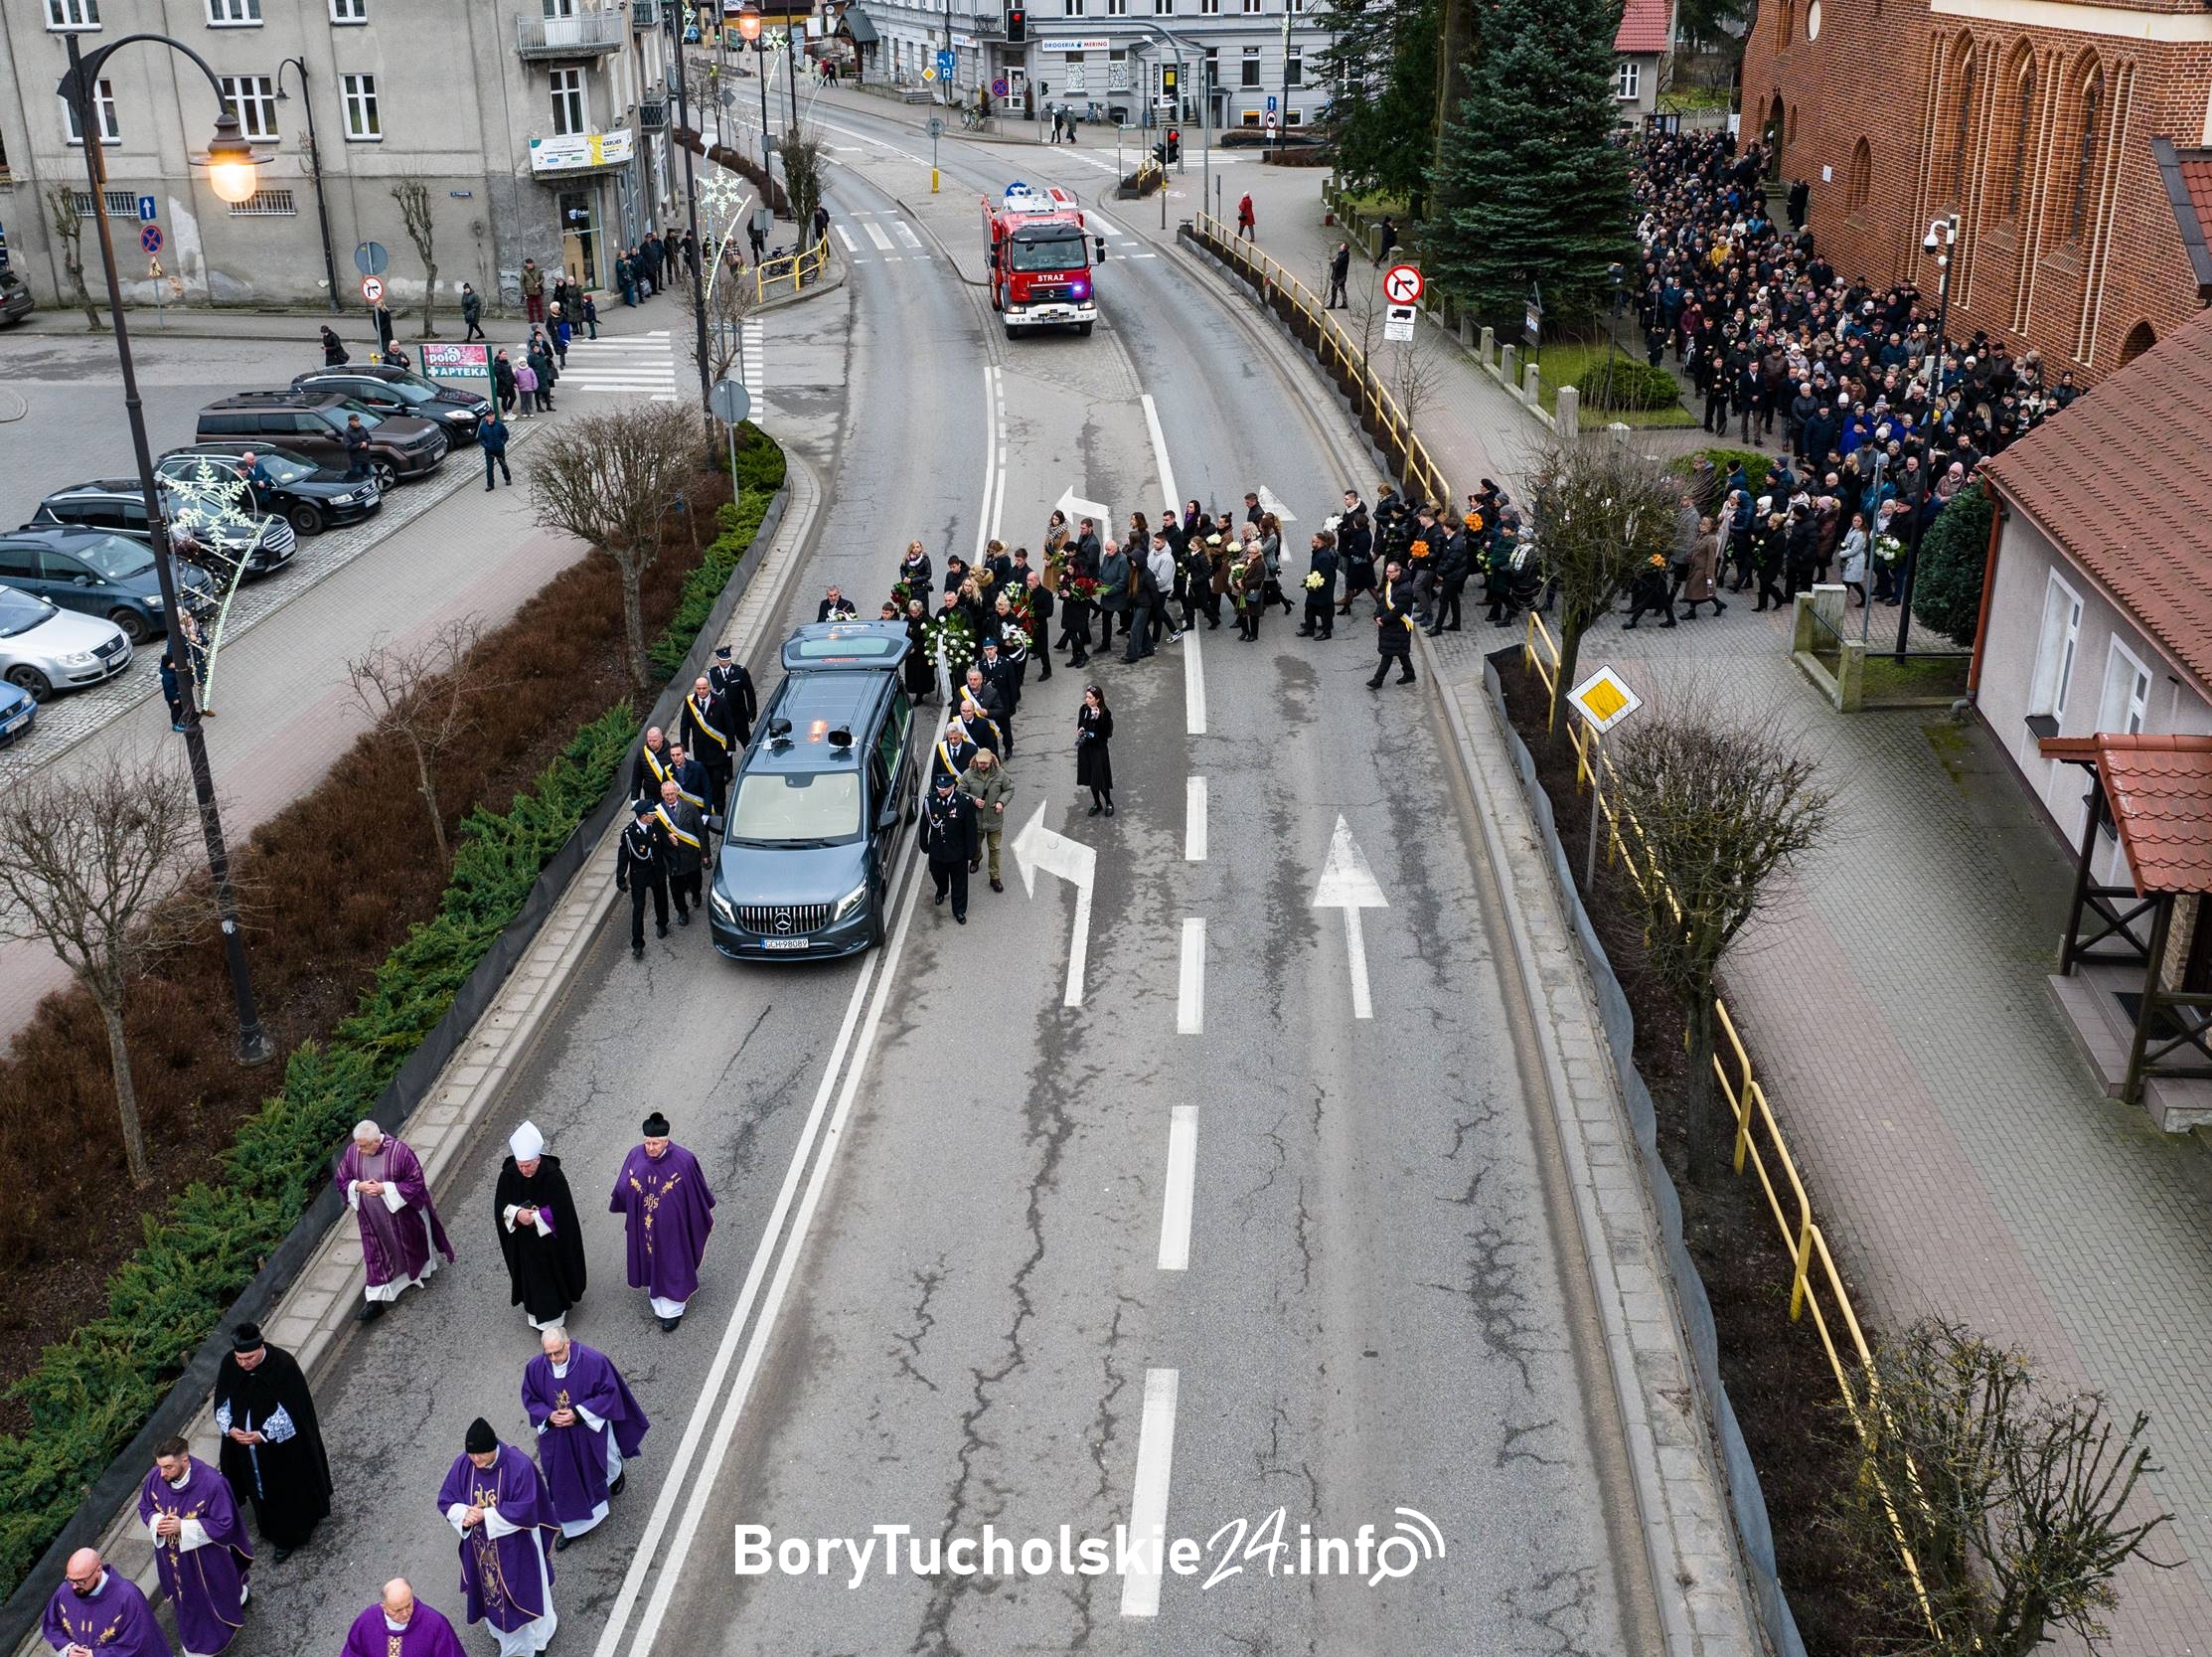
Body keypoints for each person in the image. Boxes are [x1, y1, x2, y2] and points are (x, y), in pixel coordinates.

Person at [437, 1419, 558, 1657]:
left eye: (480, 1456)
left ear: (493, 1448)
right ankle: (504, 1635)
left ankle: (535, 1643)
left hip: (517, 1547)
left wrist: (486, 1515)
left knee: (525, 1595)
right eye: (472, 1455)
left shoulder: (519, 1466)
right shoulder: (464, 1463)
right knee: (492, 1596)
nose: (476, 1462)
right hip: (481, 1549)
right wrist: (464, 1514)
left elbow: (527, 1508)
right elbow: (446, 1499)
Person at [213, 1323, 330, 1563]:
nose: (244, 1364)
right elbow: (223, 1399)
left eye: (249, 1358)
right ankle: (268, 1527)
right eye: (239, 1358)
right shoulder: (230, 1364)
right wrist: (231, 1429)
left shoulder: (283, 1365)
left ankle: (290, 1535)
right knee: (258, 1488)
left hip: (282, 1449)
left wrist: (264, 1434)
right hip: (244, 1446)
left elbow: (294, 1407)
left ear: (261, 1347)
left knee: (285, 1488)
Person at [523, 1328, 648, 1551]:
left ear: (568, 1343)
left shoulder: (593, 1361)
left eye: (557, 1352)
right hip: (557, 1433)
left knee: (601, 1461)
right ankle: (572, 1527)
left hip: (589, 1428)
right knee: (562, 1477)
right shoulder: (535, 1368)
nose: (553, 1359)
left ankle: (616, 1475)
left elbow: (609, 1394)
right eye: (548, 1354)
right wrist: (548, 1415)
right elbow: (530, 1397)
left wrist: (579, 1413)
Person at [137, 1437, 250, 1657]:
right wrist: (157, 1522)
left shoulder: (212, 1483)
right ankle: (196, 1642)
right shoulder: (156, 1477)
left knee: (214, 1592)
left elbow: (225, 1524)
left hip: (205, 1556)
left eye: (168, 1467)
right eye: (159, 1467)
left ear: (185, 1460)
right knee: (186, 1601)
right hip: (171, 1556)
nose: (162, 1474)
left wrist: (183, 1527)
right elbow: (145, 1506)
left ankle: (209, 1641)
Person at [336, 1120, 454, 1323]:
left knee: (409, 1248)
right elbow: (342, 1179)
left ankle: (418, 1273)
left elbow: (415, 1181)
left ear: (376, 1141)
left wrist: (385, 1189)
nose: (359, 1149)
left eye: (363, 1146)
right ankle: (375, 1301)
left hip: (403, 1218)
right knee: (376, 1257)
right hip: (371, 1220)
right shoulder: (352, 1153)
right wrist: (358, 1186)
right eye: (357, 1144)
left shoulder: (400, 1153)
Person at [609, 1113, 716, 1330]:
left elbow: (696, 1193)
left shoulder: (684, 1161)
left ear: (666, 1141)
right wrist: (626, 1195)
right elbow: (624, 1183)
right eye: (647, 1142)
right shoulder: (635, 1155)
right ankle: (657, 1301)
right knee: (650, 1259)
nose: (650, 1147)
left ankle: (674, 1308)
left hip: (673, 1229)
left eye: (655, 1143)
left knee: (672, 1261)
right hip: (645, 1224)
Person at [494, 1121, 587, 1331]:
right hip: (524, 1244)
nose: (524, 1170)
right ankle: (537, 1317)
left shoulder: (552, 1175)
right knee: (532, 1281)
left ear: (537, 1159)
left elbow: (563, 1212)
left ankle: (555, 1318)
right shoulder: (509, 1175)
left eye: (528, 1165)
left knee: (551, 1277)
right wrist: (517, 1214)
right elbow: (500, 1207)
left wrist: (536, 1216)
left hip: (549, 1243)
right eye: (521, 1166)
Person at [43, 1550, 170, 1657]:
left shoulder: (128, 1597)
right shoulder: (65, 1591)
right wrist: (68, 1648)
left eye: (81, 1581)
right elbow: (52, 1625)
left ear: (98, 1570)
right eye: (70, 1580)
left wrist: (94, 1654)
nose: (74, 1587)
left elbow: (138, 1643)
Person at [338, 1580, 467, 1657]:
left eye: (409, 1605)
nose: (405, 1614)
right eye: (397, 1610)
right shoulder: (366, 1622)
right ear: (384, 1607)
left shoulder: (435, 1623)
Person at [615, 802, 671, 958]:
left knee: (661, 899)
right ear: (643, 817)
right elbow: (623, 857)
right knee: (638, 908)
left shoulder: (656, 825)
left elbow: (664, 844)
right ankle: (637, 942)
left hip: (656, 870)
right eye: (651, 814)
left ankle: (662, 923)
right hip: (639, 873)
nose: (654, 815)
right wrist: (620, 879)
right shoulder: (629, 833)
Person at [921, 774, 978, 923]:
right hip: (937, 849)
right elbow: (924, 824)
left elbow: (971, 829)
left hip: (957, 851)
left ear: (953, 786)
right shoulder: (930, 800)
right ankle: (942, 889)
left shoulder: (964, 802)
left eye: (945, 789)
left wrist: (971, 851)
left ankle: (959, 910)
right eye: (939, 788)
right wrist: (923, 843)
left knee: (959, 883)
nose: (941, 791)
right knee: (937, 874)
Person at [960, 747, 1012, 894]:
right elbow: (960, 792)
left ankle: (994, 877)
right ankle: (976, 858)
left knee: (994, 848)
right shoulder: (968, 774)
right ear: (976, 760)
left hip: (994, 819)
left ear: (991, 761)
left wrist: (1001, 802)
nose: (982, 765)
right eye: (980, 762)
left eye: (985, 763)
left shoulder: (1000, 774)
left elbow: (1009, 789)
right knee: (975, 845)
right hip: (975, 820)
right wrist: (974, 800)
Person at [655, 778, 707, 924]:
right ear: (662, 794)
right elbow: (653, 835)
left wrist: (705, 854)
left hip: (691, 855)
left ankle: (696, 894)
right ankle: (682, 911)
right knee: (676, 890)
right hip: (673, 859)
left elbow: (701, 832)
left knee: (695, 882)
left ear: (677, 792)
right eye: (666, 795)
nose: (670, 797)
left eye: (672, 793)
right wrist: (666, 835)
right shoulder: (658, 813)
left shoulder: (690, 807)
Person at [1367, 560, 1417, 688]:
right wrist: (1377, 614)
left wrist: (1383, 619)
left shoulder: (1405, 589)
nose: (1387, 574)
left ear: (1398, 572)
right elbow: (1384, 601)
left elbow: (1398, 611)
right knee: (1401, 652)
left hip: (1398, 625)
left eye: (1390, 572)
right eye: (1387, 571)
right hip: (1391, 625)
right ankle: (1409, 674)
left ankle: (1378, 680)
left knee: (1388, 653)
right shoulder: (1393, 582)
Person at [1076, 683, 1114, 816]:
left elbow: (1106, 733)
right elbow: (1081, 723)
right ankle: (1097, 803)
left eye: (1090, 698)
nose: (1087, 700)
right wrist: (1080, 730)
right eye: (1087, 697)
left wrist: (1097, 721)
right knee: (1091, 778)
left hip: (1098, 749)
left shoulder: (1105, 713)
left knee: (1100, 778)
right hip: (1086, 748)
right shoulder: (1084, 709)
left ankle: (1108, 802)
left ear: (1098, 699)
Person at [1298, 530, 1339, 638]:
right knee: (1309, 607)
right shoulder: (1318, 553)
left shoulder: (1324, 557)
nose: (1312, 543)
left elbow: (1323, 575)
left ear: (1322, 543)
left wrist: (1313, 583)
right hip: (1315, 586)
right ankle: (1309, 628)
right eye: (1312, 541)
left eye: (1315, 541)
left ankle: (1326, 632)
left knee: (1324, 610)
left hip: (1322, 588)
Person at [1622, 554, 1676, 629]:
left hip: (1655, 577)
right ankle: (1671, 620)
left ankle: (1633, 620)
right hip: (1654, 575)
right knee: (1662, 600)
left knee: (1646, 600)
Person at [631, 725, 675, 800]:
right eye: (649, 740)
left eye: (654, 740)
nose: (651, 743)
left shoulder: (671, 752)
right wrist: (635, 798)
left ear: (661, 738)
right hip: (650, 795)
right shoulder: (642, 753)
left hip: (668, 794)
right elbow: (636, 777)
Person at [479, 410, 511, 490]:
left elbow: (506, 435)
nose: (492, 417)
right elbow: (480, 439)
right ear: (486, 417)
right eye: (490, 416)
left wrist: (502, 442)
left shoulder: (499, 425)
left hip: (499, 450)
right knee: (489, 468)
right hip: (489, 451)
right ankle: (490, 485)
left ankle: (508, 478)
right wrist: (486, 446)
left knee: (503, 465)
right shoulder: (483, 427)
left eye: (493, 415)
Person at [341, 415, 372, 483]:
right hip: (356, 461)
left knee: (369, 476)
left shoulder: (362, 428)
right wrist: (361, 444)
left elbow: (369, 439)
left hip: (366, 458)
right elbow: (348, 447)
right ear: (350, 422)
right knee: (359, 479)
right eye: (356, 421)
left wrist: (366, 442)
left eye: (358, 420)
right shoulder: (347, 433)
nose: (358, 422)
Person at [520, 257, 546, 323]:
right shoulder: (524, 272)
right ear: (526, 264)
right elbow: (521, 282)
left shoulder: (538, 270)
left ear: (533, 263)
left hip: (537, 291)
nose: (530, 265)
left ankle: (541, 319)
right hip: (529, 292)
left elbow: (542, 278)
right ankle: (531, 319)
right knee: (530, 307)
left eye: (531, 263)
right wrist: (524, 292)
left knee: (539, 306)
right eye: (528, 264)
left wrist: (539, 283)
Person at [1327, 242, 1350, 309]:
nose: (1340, 246)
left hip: (1338, 276)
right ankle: (1345, 303)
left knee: (1334, 290)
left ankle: (1332, 304)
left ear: (1344, 248)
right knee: (1342, 289)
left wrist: (1332, 263)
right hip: (1342, 276)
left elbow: (1336, 266)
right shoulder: (1344, 255)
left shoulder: (1341, 257)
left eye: (1342, 246)